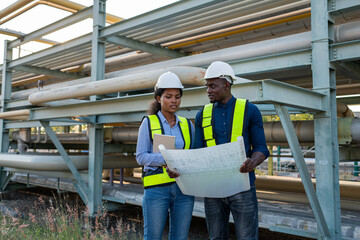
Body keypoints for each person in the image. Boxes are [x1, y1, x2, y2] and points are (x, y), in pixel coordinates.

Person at [194, 61, 269, 240]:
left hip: (242, 186)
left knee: (247, 237)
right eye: (207, 86)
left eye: (213, 86)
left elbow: (261, 148)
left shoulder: (250, 111)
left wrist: (253, 161)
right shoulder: (201, 115)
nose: (208, 90)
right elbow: (196, 152)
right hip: (213, 189)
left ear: (227, 84)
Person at [136, 71, 195, 240]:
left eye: (177, 96)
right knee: (153, 237)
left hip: (183, 190)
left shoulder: (187, 125)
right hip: (156, 190)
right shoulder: (148, 123)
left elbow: (192, 154)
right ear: (158, 98)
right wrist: (168, 159)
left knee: (180, 237)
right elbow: (140, 156)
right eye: (168, 96)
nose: (173, 101)